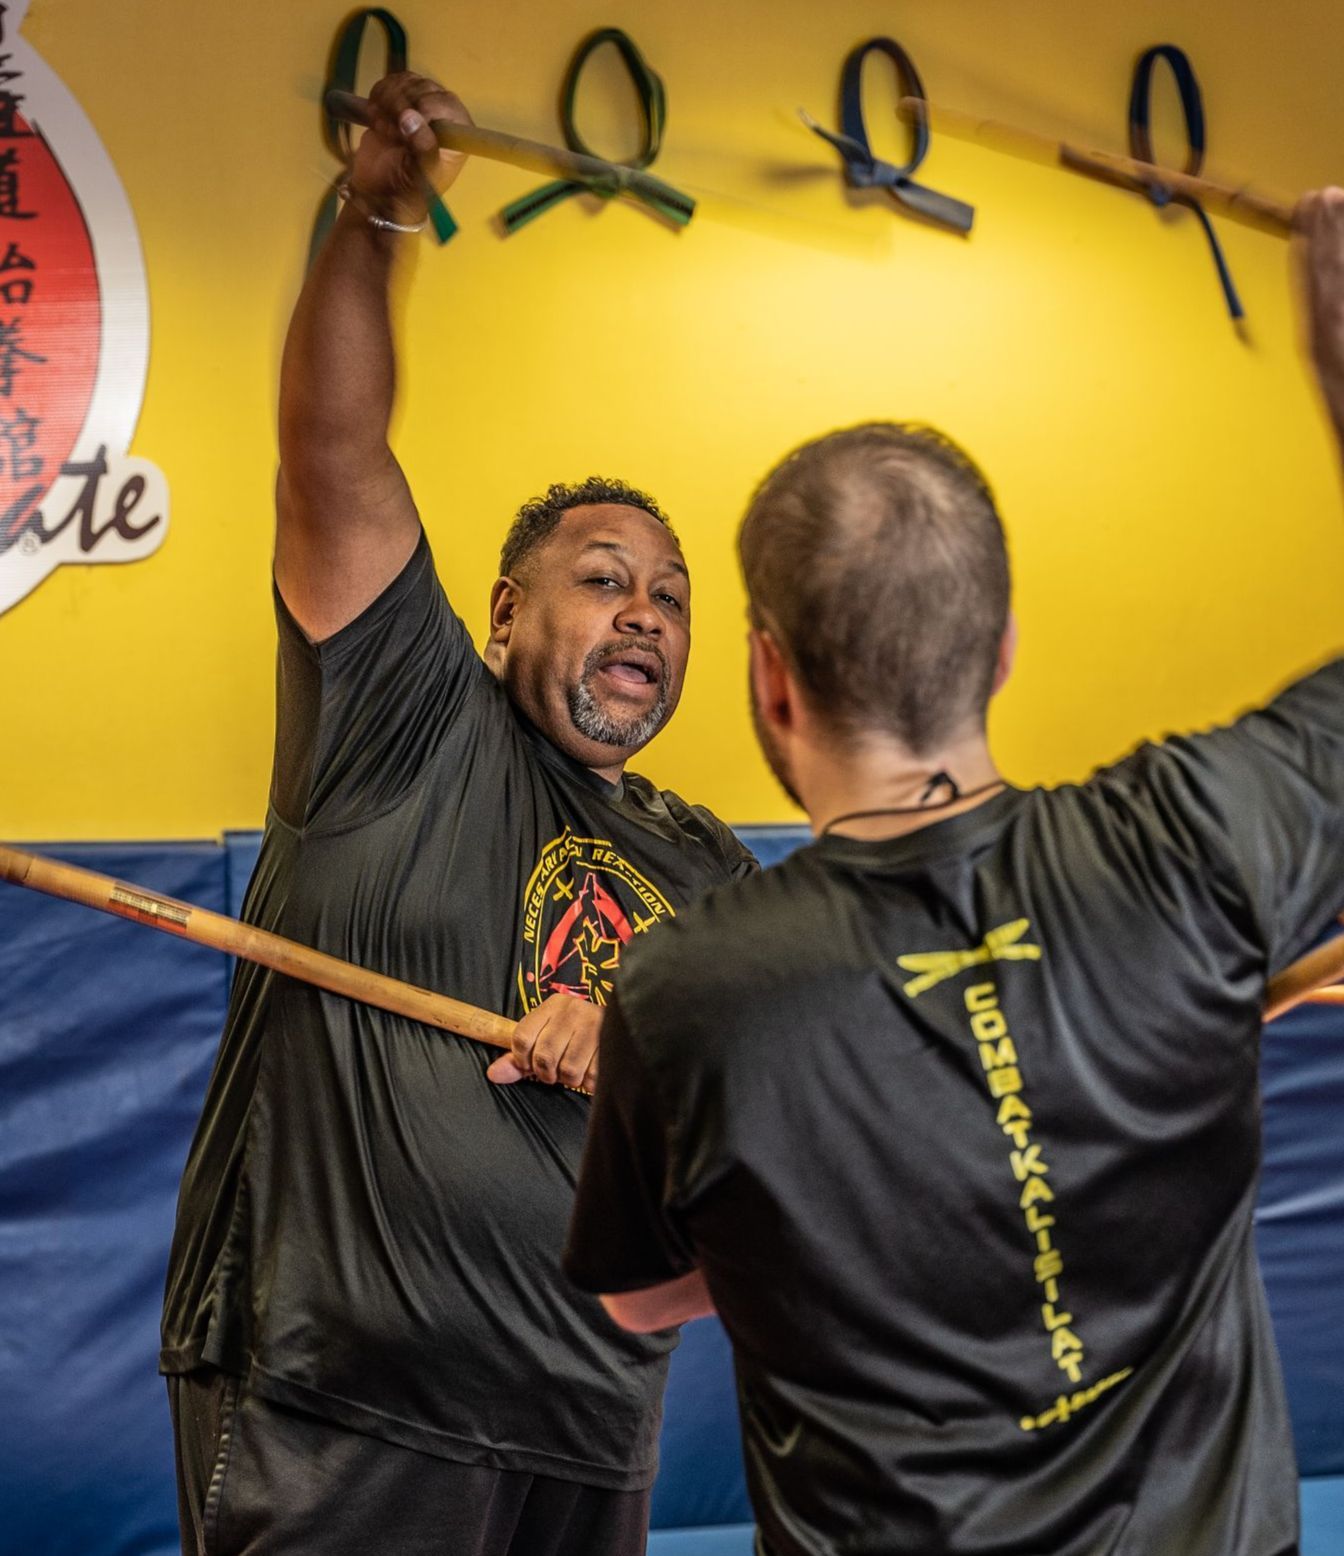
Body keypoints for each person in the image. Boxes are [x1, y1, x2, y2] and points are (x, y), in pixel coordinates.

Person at [562, 190, 1344, 1556]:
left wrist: (837, 1239)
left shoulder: (686, 991)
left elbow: (641, 1303)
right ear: (1001, 649)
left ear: (770, 677)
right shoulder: (1186, 840)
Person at [160, 73, 752, 1556]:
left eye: (673, 598)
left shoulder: (715, 866)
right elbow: (334, 456)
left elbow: (778, 1117)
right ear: (502, 614)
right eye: (606, 577)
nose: (645, 616)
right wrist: (373, 218)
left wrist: (639, 1053)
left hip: (590, 1429)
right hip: (342, 1410)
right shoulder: (403, 720)